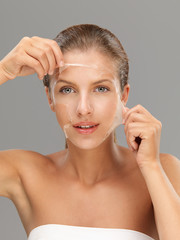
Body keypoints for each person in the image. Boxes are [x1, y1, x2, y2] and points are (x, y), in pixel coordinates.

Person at [0, 24, 180, 240]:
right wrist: (3, 71)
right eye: (67, 89)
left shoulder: (164, 171)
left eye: (100, 88)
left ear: (123, 95)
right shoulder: (24, 173)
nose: (83, 108)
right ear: (50, 98)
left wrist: (150, 166)